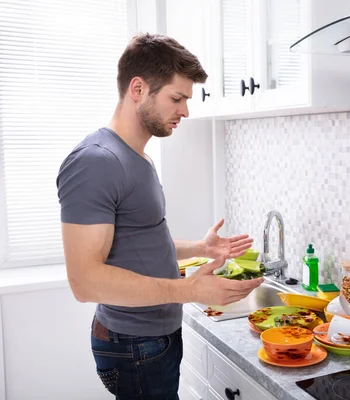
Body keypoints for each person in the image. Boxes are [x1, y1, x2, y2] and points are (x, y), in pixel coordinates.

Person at [56, 33, 263, 400]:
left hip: (152, 339)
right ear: (138, 89)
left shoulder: (136, 157)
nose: (185, 110)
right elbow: (84, 282)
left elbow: (137, 242)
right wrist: (189, 289)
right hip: (133, 344)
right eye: (177, 98)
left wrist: (199, 247)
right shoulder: (96, 162)